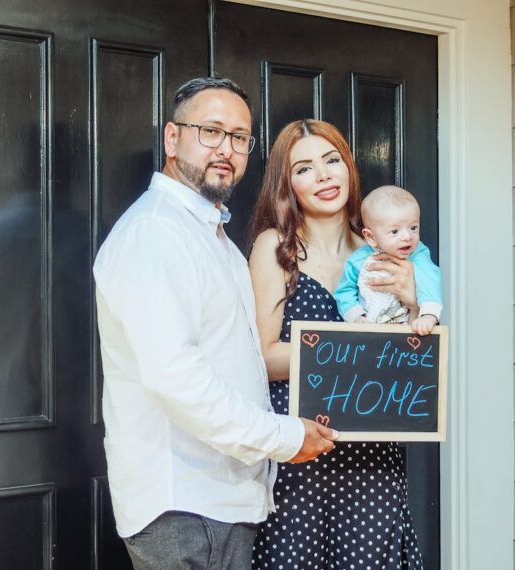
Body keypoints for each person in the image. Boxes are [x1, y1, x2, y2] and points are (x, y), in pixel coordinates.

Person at [93, 78, 338, 570]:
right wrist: (284, 438)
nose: (226, 149)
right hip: (182, 505)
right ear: (171, 138)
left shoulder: (213, 238)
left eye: (240, 137)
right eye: (211, 131)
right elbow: (174, 377)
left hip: (220, 501)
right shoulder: (154, 233)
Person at [247, 119, 425, 569]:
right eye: (304, 168)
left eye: (332, 161)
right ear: (287, 184)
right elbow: (263, 357)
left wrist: (410, 305)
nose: (324, 176)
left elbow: (408, 365)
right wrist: (350, 350)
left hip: (371, 453)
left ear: (348, 167)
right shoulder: (275, 248)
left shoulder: (385, 250)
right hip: (297, 451)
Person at [333, 185, 443, 335]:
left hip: (406, 333)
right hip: (369, 332)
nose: (407, 237)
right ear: (371, 237)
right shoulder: (358, 260)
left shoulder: (418, 254)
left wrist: (428, 314)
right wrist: (357, 318)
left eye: (413, 228)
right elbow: (344, 292)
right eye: (395, 231)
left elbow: (430, 279)